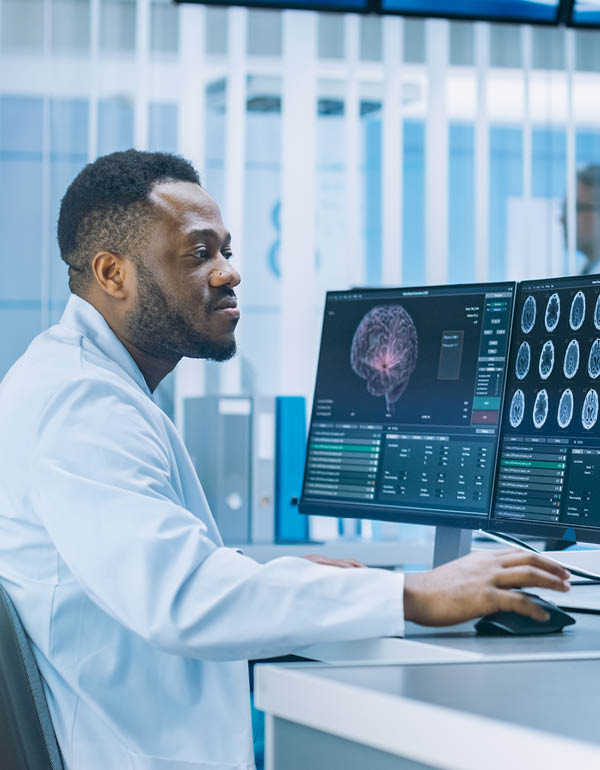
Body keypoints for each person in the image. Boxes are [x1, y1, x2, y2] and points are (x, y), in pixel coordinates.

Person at [0, 150, 571, 770]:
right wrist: (413, 593)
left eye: (226, 250)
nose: (229, 272)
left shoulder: (81, 381)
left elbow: (147, 567)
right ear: (114, 274)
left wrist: (276, 577)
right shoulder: (81, 403)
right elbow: (181, 597)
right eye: (199, 253)